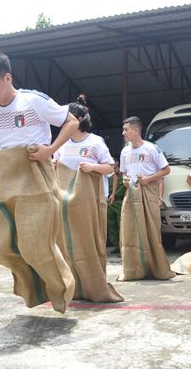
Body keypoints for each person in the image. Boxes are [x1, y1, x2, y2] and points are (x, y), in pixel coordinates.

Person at [0, 51, 78, 314]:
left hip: (33, 173)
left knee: (35, 246)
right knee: (1, 246)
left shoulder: (33, 100)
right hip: (2, 176)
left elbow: (71, 121)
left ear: (7, 77)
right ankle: (34, 289)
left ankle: (62, 288)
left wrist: (49, 149)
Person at [53, 102, 123, 302]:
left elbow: (110, 168)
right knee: (66, 241)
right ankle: (70, 284)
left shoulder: (95, 142)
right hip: (65, 203)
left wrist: (93, 167)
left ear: (79, 119)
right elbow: (54, 163)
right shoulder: (62, 143)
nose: (63, 121)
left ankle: (92, 284)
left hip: (90, 202)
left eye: (67, 117)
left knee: (90, 241)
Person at [118, 116, 175, 281]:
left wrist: (149, 179)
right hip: (131, 195)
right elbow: (123, 173)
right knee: (130, 231)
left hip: (148, 193)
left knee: (152, 231)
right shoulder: (125, 151)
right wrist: (125, 180)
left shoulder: (151, 148)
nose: (123, 133)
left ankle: (157, 269)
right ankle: (133, 270)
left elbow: (166, 170)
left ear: (136, 130)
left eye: (126, 130)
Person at [107, 158, 125, 249]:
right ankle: (116, 245)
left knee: (121, 225)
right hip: (109, 203)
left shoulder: (123, 175)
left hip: (120, 202)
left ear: (117, 163)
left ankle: (122, 246)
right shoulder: (107, 175)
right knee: (111, 225)